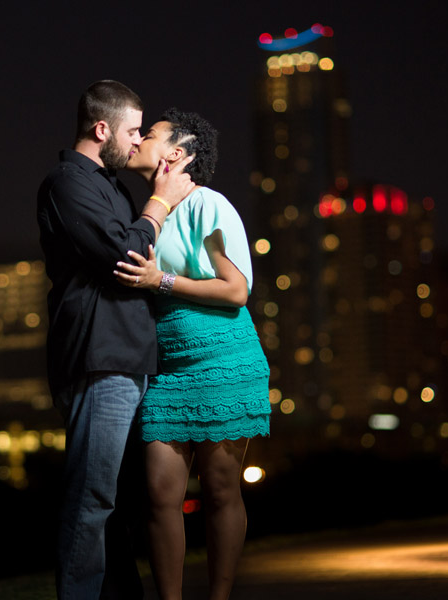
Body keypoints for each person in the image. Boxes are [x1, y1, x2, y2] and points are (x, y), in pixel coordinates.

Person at [37, 82, 195, 599]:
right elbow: (125, 255)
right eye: (132, 131)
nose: (136, 143)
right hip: (99, 360)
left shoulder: (112, 187)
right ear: (101, 129)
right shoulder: (67, 182)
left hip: (131, 360)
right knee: (92, 498)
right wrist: (159, 204)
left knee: (121, 505)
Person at [114, 108, 271, 600]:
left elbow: (236, 290)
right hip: (170, 369)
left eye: (151, 134)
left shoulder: (210, 205)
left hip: (225, 360)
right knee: (162, 497)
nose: (137, 138)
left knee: (222, 492)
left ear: (177, 153)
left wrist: (160, 280)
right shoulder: (150, 210)